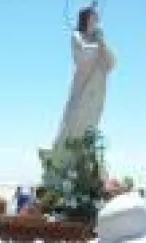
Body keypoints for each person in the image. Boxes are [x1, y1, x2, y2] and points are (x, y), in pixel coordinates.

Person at [54, 5, 116, 148]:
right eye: (94, 17)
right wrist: (97, 45)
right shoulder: (77, 36)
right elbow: (82, 56)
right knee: (72, 124)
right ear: (87, 19)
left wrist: (102, 43)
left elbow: (112, 62)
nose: (97, 20)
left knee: (89, 129)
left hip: (97, 93)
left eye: (97, 18)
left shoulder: (99, 40)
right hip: (82, 91)